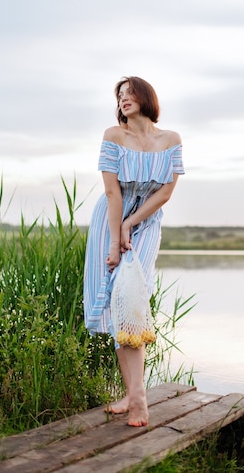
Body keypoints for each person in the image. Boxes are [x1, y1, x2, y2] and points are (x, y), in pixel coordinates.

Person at [83, 76, 184, 427]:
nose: (124, 99)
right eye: (120, 96)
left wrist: (132, 224)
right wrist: (116, 236)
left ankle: (140, 400)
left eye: (130, 93)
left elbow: (165, 193)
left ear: (146, 97)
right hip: (110, 221)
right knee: (116, 303)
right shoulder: (114, 136)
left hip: (146, 221)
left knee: (133, 302)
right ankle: (131, 395)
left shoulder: (171, 140)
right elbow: (113, 193)